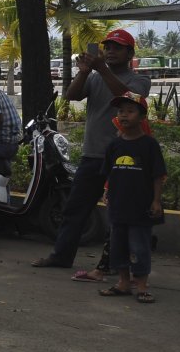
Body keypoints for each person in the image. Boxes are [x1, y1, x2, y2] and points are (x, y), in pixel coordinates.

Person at [32, 29, 151, 270]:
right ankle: (61, 256)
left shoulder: (139, 80)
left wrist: (101, 69)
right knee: (75, 208)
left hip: (123, 157)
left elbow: (128, 97)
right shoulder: (95, 76)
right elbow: (72, 95)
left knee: (119, 213)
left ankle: (113, 265)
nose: (110, 51)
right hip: (93, 154)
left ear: (130, 53)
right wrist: (84, 72)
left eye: (117, 47)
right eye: (107, 47)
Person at [97, 92, 165, 303]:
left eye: (130, 111)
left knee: (139, 247)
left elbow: (157, 175)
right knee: (119, 247)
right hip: (118, 207)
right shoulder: (114, 146)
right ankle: (123, 283)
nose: (124, 115)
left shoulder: (149, 145)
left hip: (141, 208)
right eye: (121, 111)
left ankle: (142, 286)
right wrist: (106, 192)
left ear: (142, 116)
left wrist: (156, 201)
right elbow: (108, 173)